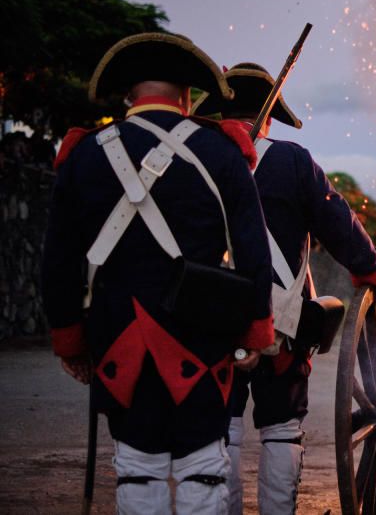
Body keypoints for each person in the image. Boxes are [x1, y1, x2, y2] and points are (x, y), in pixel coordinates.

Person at [41, 33, 275, 514]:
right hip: (202, 334)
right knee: (201, 466)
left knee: (136, 467)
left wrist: (70, 340)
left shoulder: (82, 154)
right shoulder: (223, 150)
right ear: (188, 95)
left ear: (129, 94)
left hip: (115, 334)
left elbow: (58, 259)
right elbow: (253, 251)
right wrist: (256, 329)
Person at [193, 62, 376, 514]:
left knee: (223, 429)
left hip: (212, 322)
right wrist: (371, 270)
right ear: (267, 114)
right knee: (281, 427)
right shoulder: (292, 160)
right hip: (282, 321)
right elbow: (337, 222)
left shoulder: (195, 158)